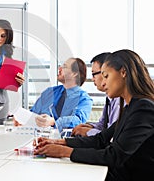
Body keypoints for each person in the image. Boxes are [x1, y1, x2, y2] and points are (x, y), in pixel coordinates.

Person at [34, 49, 154, 181]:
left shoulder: (144, 108)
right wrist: (59, 142)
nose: (103, 83)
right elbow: (101, 139)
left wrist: (64, 152)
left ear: (123, 72)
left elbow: (114, 155)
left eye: (106, 76)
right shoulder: (130, 108)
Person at [29, 57, 93, 132]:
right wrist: (24, 119)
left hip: (65, 141)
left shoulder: (84, 99)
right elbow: (32, 113)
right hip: (39, 139)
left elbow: (78, 120)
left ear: (74, 73)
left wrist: (54, 122)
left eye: (64, 67)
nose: (59, 68)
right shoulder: (49, 92)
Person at [72, 52, 122, 136]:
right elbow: (103, 125)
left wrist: (88, 131)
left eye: (94, 74)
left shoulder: (120, 101)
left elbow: (112, 136)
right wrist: (89, 126)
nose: (92, 79)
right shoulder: (110, 98)